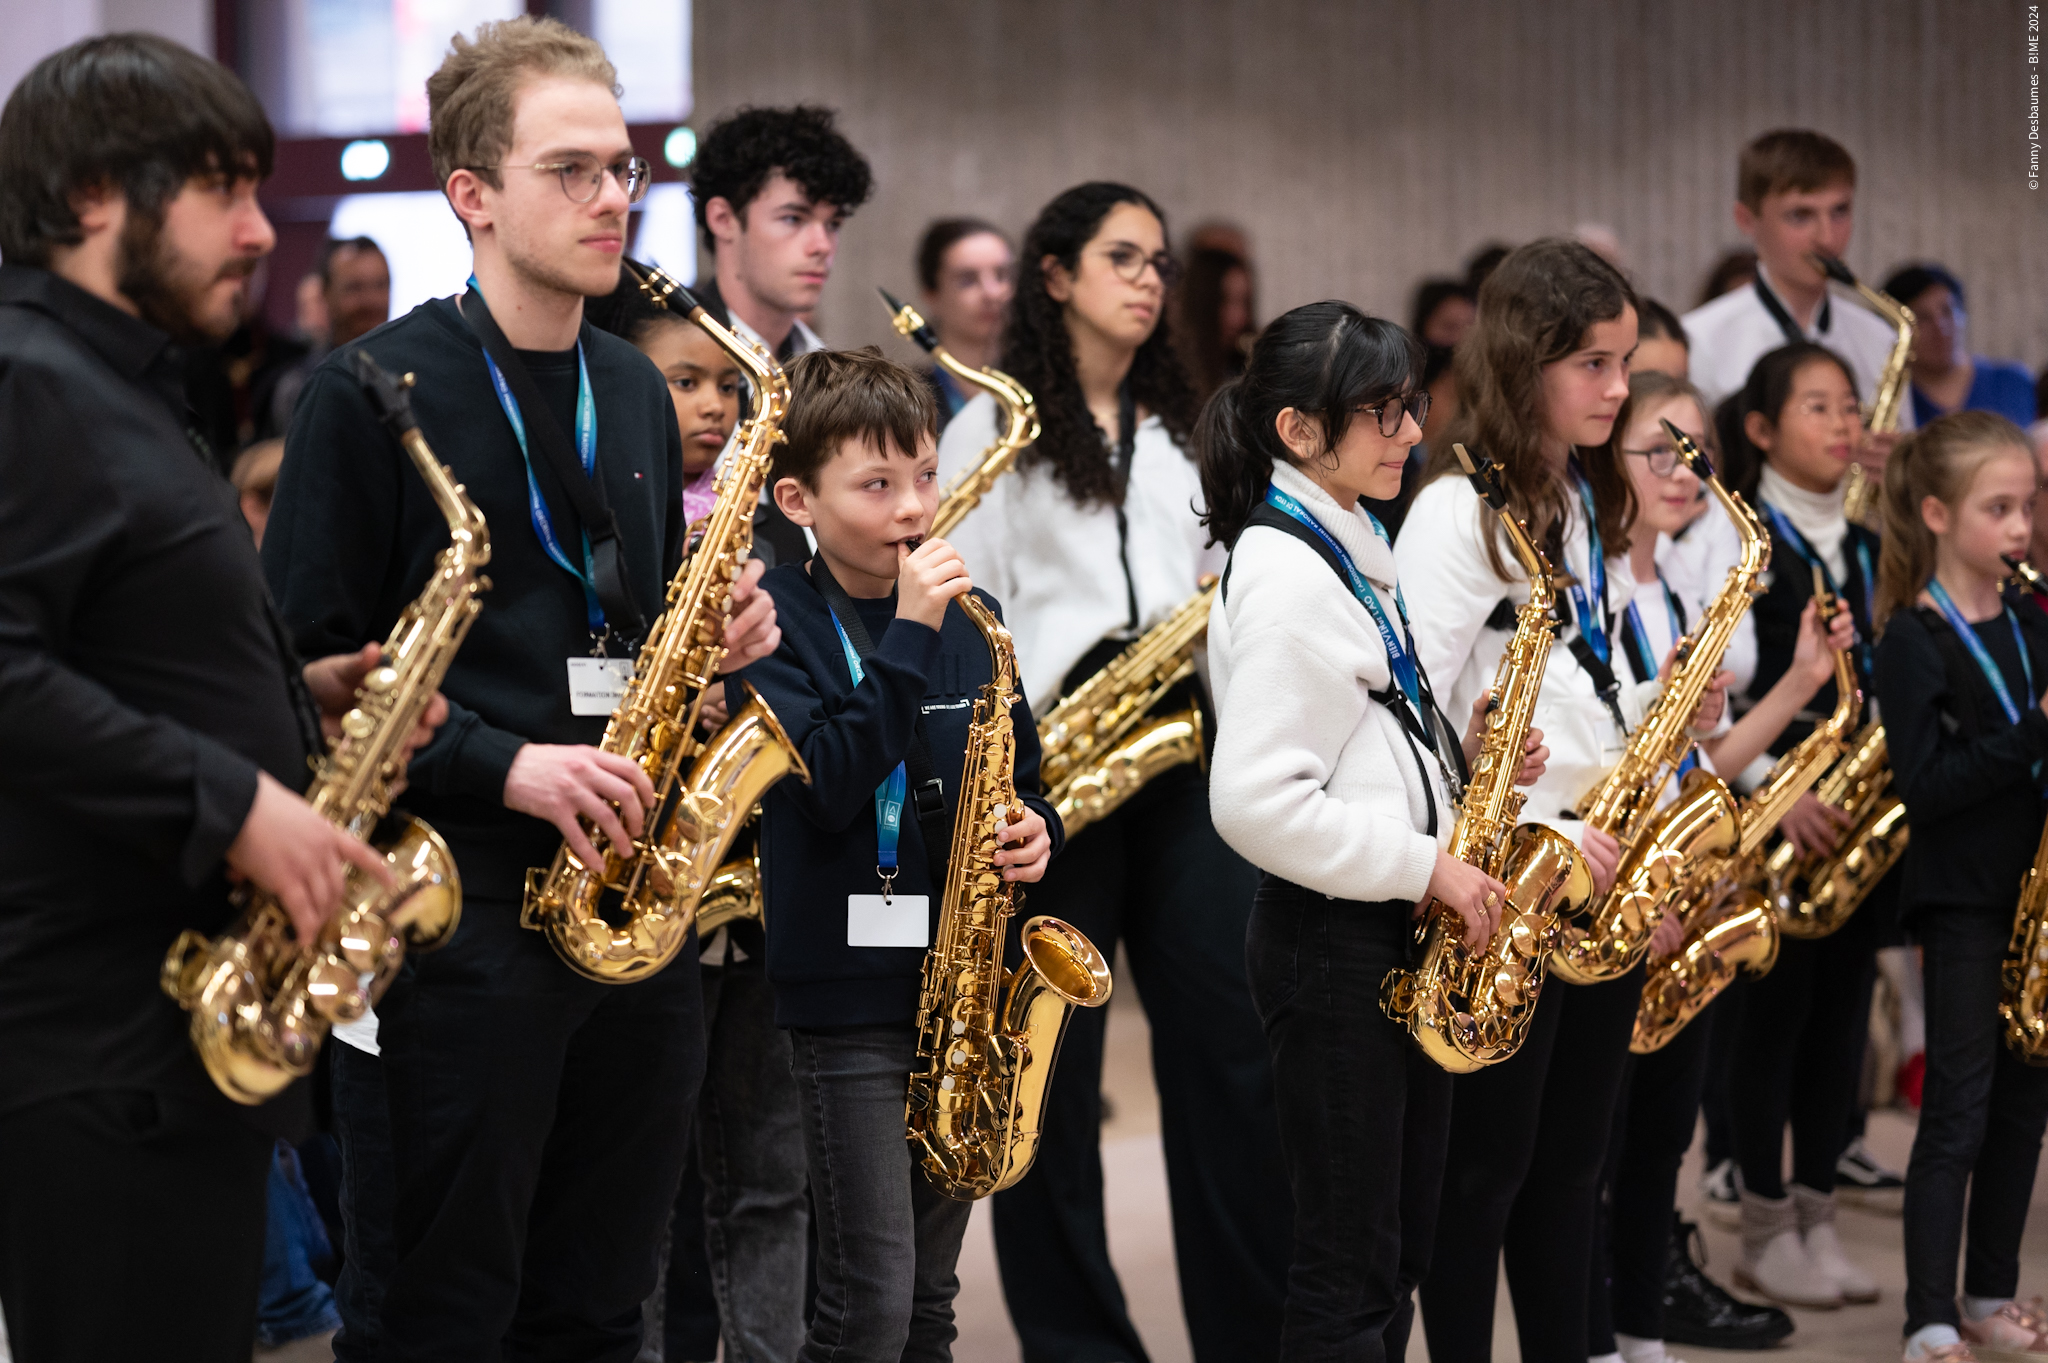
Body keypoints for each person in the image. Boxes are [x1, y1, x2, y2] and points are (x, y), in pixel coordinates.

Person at [264, 18, 778, 1358]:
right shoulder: (368, 392)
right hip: (450, 925)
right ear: (473, 197)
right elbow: (298, 686)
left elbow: (631, 619)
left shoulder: (631, 383)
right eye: (572, 171)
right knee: (436, 1311)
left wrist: (709, 656)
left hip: (630, 912)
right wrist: (507, 761)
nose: (613, 197)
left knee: (607, 1309)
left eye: (622, 169)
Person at [0, 33, 438, 1363]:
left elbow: (104, 644)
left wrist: (295, 704)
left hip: (171, 1026)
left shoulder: (124, 384)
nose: (259, 229)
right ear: (90, 196)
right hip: (95, 1035)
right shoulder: (30, 379)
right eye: (220, 190)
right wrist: (238, 798)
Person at [938, 181, 1294, 1362]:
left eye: (1157, 262)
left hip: (1179, 754)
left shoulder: (1187, 427)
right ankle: (1078, 1343)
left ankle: (1251, 1334)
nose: (1148, 279)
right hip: (1053, 777)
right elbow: (964, 619)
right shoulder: (990, 430)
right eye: (1120, 257)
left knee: (1234, 1059)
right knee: (1047, 1078)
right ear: (1053, 276)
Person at [1201, 301, 1546, 1360]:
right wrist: (1426, 865)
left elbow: (1357, 735)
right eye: (1381, 413)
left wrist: (1463, 756)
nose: (1409, 433)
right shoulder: (1289, 570)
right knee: (1348, 1272)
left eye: (1407, 407)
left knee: (1389, 1254)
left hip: (1376, 930)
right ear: (1298, 432)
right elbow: (1254, 800)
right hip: (1332, 942)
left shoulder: (1343, 542)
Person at [1396, 237, 1715, 1363]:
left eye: (1623, 361)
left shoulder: (1568, 496)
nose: (1617, 388)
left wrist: (1658, 713)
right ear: (1524, 359)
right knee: (1488, 1172)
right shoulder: (1451, 510)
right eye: (1592, 362)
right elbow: (1411, 703)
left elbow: (1576, 672)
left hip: (1595, 861)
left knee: (1573, 1163)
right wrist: (1488, 776)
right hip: (1513, 875)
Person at [737, 345, 1061, 1361]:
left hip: (958, 991)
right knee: (867, 1302)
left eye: (921, 474)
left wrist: (1033, 829)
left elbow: (1024, 773)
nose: (912, 507)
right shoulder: (775, 625)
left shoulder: (977, 621)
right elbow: (831, 785)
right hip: (844, 1000)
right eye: (874, 485)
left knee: (928, 1302)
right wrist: (909, 631)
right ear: (798, 498)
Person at [1589, 372, 1852, 1363]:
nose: (1679, 470)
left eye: (1691, 451)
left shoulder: (1679, 592)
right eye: (1653, 450)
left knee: (1662, 1138)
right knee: (1602, 1148)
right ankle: (1599, 1327)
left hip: (1680, 898)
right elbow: (1599, 770)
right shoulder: (1597, 587)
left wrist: (1796, 681)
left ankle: (1641, 1330)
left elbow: (1704, 766)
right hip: (1616, 897)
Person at [585, 264, 806, 1363]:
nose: (714, 405)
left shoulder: (769, 519)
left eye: (726, 383)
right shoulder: (595, 515)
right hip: (637, 860)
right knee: (649, 1180)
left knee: (768, 1169)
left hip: (752, 870)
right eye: (685, 381)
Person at [1711, 341, 1891, 1309]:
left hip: (1851, 823)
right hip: (1770, 811)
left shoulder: (1862, 540)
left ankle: (1818, 1219)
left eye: (1847, 406)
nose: (1840, 424)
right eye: (1815, 406)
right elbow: (1726, 685)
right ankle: (1763, 1224)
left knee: (1838, 1024)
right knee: (1767, 1028)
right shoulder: (1743, 537)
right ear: (1759, 430)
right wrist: (1779, 780)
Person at [1874, 411, 2048, 1363]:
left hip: (2034, 897)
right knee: (1959, 1106)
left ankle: (1989, 1293)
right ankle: (1928, 1315)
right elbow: (1928, 786)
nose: (2021, 528)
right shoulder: (1915, 637)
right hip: (1965, 895)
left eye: (2027, 506)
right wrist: (2035, 733)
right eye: (1999, 508)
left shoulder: (2031, 617)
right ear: (1939, 512)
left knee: (2027, 1106)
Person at [688, 103, 873, 575]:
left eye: (832, 224)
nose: (822, 246)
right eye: (794, 218)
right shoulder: (664, 368)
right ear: (723, 219)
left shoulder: (828, 366)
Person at [1682, 130, 1912, 453]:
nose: (1827, 238)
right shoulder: (1698, 340)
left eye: (1840, 211)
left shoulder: (1879, 339)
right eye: (1800, 215)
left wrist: (1897, 472)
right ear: (1746, 219)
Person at [1882, 264, 2038, 430]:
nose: (1940, 327)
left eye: (1947, 311)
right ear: (1896, 329)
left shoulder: (2014, 384)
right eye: (1922, 318)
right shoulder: (1894, 403)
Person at [267, 236, 393, 437]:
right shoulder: (302, 386)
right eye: (355, 288)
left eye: (381, 285)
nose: (371, 301)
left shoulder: (407, 371)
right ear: (326, 294)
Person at [913, 216, 1015, 425]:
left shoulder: (1043, 387)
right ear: (931, 295)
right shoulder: (907, 398)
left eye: (1002, 275)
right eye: (967, 280)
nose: (992, 293)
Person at [1177, 244, 1256, 402]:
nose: (1239, 318)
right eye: (1226, 301)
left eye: (1244, 303)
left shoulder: (1245, 363)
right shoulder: (1174, 370)